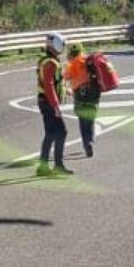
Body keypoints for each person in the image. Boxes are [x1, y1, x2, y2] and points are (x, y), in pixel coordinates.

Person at [36, 33, 73, 177]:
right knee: (61, 132)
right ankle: (57, 165)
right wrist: (56, 106)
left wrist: (65, 90)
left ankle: (43, 166)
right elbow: (49, 84)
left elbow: (55, 82)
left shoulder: (48, 60)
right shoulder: (50, 63)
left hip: (45, 101)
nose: (63, 48)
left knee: (51, 134)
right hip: (48, 102)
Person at [66, 45, 101, 158]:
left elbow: (66, 77)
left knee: (82, 119)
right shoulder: (88, 60)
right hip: (93, 93)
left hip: (79, 93)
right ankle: (90, 140)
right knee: (90, 117)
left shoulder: (73, 63)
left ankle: (85, 142)